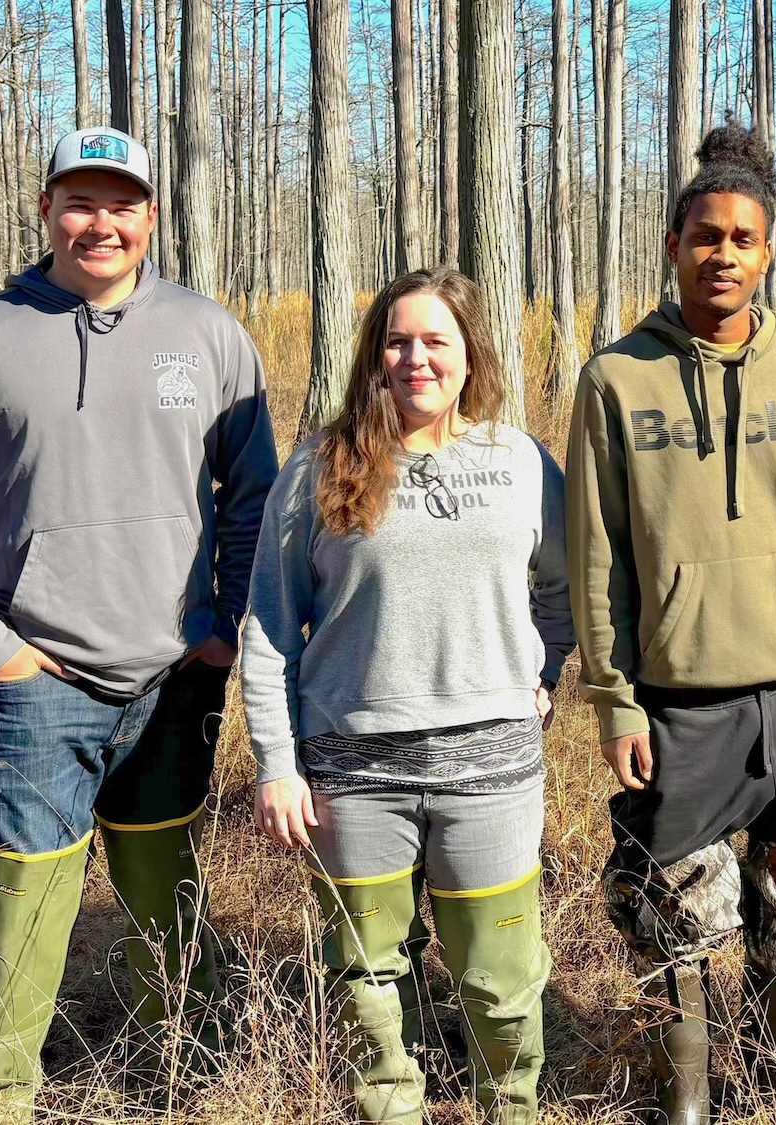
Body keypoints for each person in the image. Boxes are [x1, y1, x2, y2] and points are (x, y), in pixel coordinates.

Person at [0, 126, 278, 1122]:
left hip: (175, 676)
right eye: (79, 202)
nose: (100, 223)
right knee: (19, 906)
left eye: (121, 204)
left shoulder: (207, 333)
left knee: (165, 886)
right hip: (35, 683)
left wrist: (224, 628)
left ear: (150, 216)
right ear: (46, 210)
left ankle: (191, 1072)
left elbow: (253, 496)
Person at [567, 124, 776, 1123]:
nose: (723, 254)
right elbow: (596, 558)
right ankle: (690, 1106)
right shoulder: (616, 379)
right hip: (679, 702)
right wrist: (615, 701)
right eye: (705, 235)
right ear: (673, 245)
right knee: (670, 916)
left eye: (743, 239)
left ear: (767, 254)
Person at [241, 268, 572, 1125]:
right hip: (353, 772)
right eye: (397, 341)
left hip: (492, 771)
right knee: (366, 978)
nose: (415, 358)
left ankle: (510, 1109)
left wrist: (544, 671)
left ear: (471, 355)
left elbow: (567, 586)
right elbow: (270, 625)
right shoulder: (319, 467)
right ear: (374, 355)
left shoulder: (521, 463)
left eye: (435, 341)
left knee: (501, 981)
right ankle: (389, 1109)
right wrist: (277, 763)